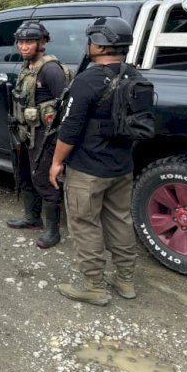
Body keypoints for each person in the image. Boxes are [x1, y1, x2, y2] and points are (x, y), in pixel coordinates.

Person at [50, 17, 140, 306]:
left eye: (90, 40)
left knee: (85, 223)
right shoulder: (136, 76)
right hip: (122, 166)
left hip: (88, 169)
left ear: (100, 44)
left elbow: (69, 129)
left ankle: (94, 284)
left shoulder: (87, 80)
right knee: (120, 219)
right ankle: (125, 280)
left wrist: (56, 163)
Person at [7, 20, 68, 250]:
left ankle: (53, 231)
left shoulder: (50, 69)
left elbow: (63, 107)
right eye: (21, 42)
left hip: (44, 135)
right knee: (25, 175)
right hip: (25, 132)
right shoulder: (28, 67)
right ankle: (32, 218)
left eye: (29, 42)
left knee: (44, 180)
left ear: (42, 42)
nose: (24, 46)